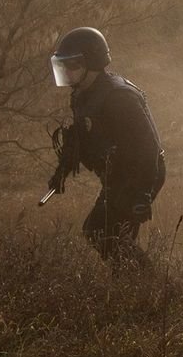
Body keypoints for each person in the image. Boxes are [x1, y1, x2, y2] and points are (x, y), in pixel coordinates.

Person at [49, 27, 167, 267]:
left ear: (92, 61)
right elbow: (86, 136)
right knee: (102, 233)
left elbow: (149, 149)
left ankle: (158, 290)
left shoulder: (119, 96)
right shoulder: (82, 94)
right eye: (63, 65)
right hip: (116, 173)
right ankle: (138, 288)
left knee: (106, 234)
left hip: (140, 172)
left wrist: (141, 193)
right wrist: (63, 169)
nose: (67, 72)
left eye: (73, 64)